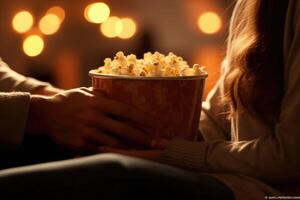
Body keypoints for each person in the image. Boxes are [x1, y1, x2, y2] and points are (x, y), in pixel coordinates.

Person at [0, 0, 299, 199]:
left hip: (261, 189)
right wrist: (152, 137)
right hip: (232, 174)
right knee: (101, 163)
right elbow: (215, 118)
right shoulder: (252, 7)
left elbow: (290, 157)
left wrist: (171, 151)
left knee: (110, 172)